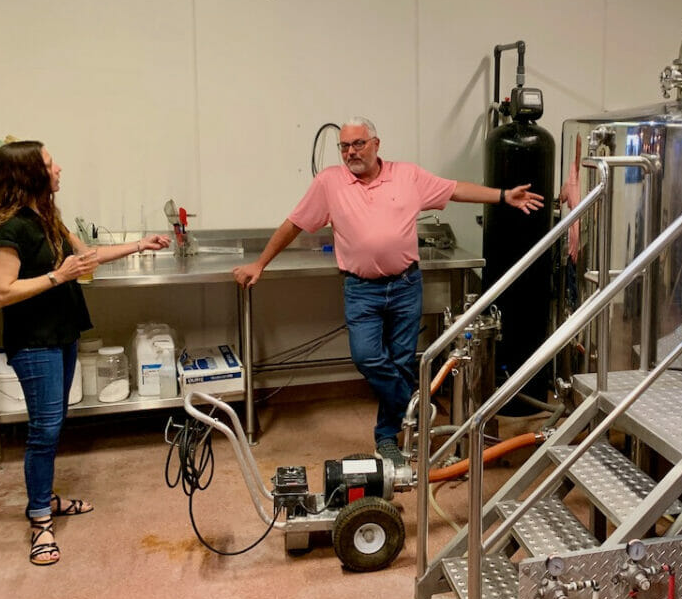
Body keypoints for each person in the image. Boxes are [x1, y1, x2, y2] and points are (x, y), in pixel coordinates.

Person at [232, 117, 544, 466]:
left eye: (358, 144)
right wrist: (260, 263)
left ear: (376, 144)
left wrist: (503, 196)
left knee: (400, 360)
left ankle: (387, 436)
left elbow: (455, 189)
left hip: (405, 285)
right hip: (361, 289)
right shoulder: (330, 183)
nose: (351, 152)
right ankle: (416, 405)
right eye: (345, 146)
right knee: (367, 357)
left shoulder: (407, 175)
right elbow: (294, 224)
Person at [0, 141, 171, 566]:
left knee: (55, 423)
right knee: (44, 431)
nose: (59, 168)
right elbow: (1, 293)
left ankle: (45, 499)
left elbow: (86, 257)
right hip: (35, 342)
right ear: (28, 174)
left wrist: (140, 245)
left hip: (62, 335)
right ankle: (40, 520)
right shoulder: (8, 230)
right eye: (49, 163)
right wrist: (56, 276)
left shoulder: (45, 217)